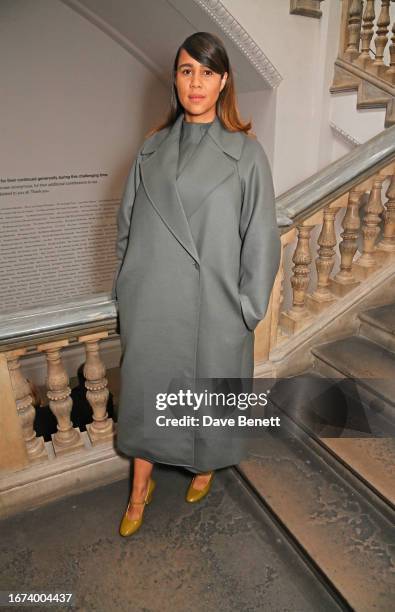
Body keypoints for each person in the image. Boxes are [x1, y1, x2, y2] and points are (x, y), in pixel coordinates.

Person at [112, 32, 281, 537]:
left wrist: (246, 309)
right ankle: (138, 491)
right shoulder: (150, 151)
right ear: (175, 79)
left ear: (224, 80)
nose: (196, 82)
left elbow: (262, 239)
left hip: (215, 308)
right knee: (147, 397)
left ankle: (204, 465)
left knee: (206, 397)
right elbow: (125, 228)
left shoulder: (246, 155)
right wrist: (129, 292)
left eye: (207, 72)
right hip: (154, 306)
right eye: (187, 70)